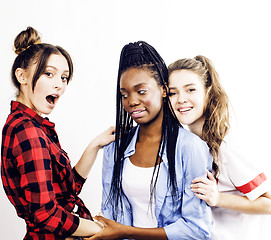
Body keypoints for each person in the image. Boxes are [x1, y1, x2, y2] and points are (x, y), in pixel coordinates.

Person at [87, 41, 213, 240]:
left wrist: (126, 232)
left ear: (164, 90)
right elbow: (109, 218)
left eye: (141, 91)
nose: (132, 101)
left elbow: (197, 230)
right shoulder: (115, 147)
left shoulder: (190, 148)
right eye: (124, 94)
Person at [1, 27, 115, 240]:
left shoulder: (34, 127)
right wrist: (103, 231)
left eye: (64, 77)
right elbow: (46, 214)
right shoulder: (27, 131)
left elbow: (68, 192)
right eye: (49, 74)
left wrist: (95, 144)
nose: (59, 85)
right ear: (22, 76)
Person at [167, 55, 271, 240]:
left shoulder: (227, 147)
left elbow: (269, 204)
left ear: (208, 92)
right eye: (172, 93)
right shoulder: (187, 146)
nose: (181, 99)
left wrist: (219, 198)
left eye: (190, 89)